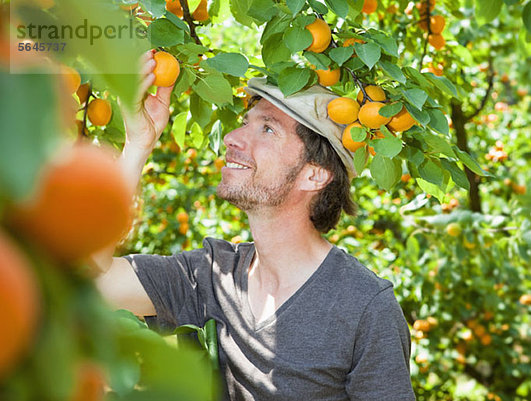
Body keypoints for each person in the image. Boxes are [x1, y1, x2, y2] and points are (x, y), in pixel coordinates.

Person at [93, 50, 416, 400]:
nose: (232, 137)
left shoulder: (365, 307)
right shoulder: (210, 277)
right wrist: (137, 145)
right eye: (246, 122)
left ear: (314, 174)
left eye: (267, 128)